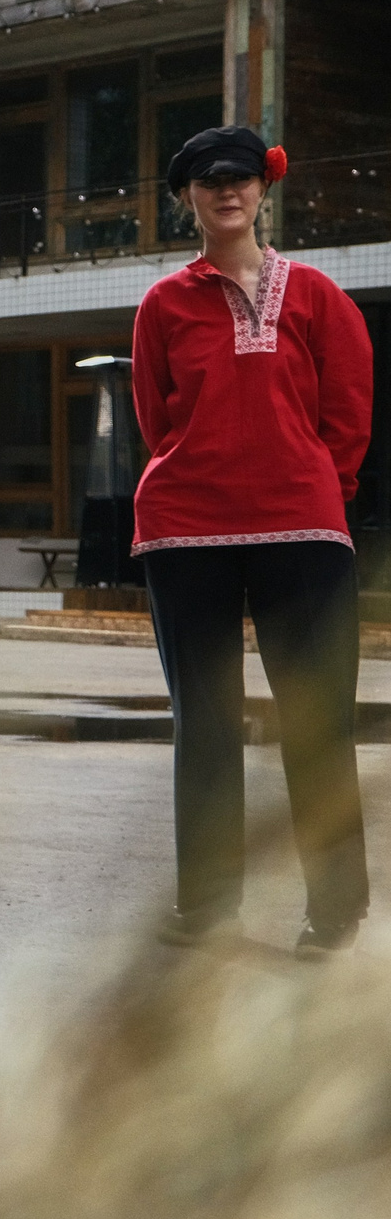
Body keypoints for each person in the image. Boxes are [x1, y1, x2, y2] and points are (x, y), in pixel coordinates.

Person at [136, 125, 370, 956]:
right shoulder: (164, 304)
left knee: (317, 721)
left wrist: (314, 484)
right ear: (187, 198)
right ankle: (208, 907)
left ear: (263, 190)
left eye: (239, 177)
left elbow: (347, 413)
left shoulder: (316, 296)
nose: (225, 190)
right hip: (186, 530)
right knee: (204, 721)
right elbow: (156, 417)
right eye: (207, 180)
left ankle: (334, 910)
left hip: (303, 531)